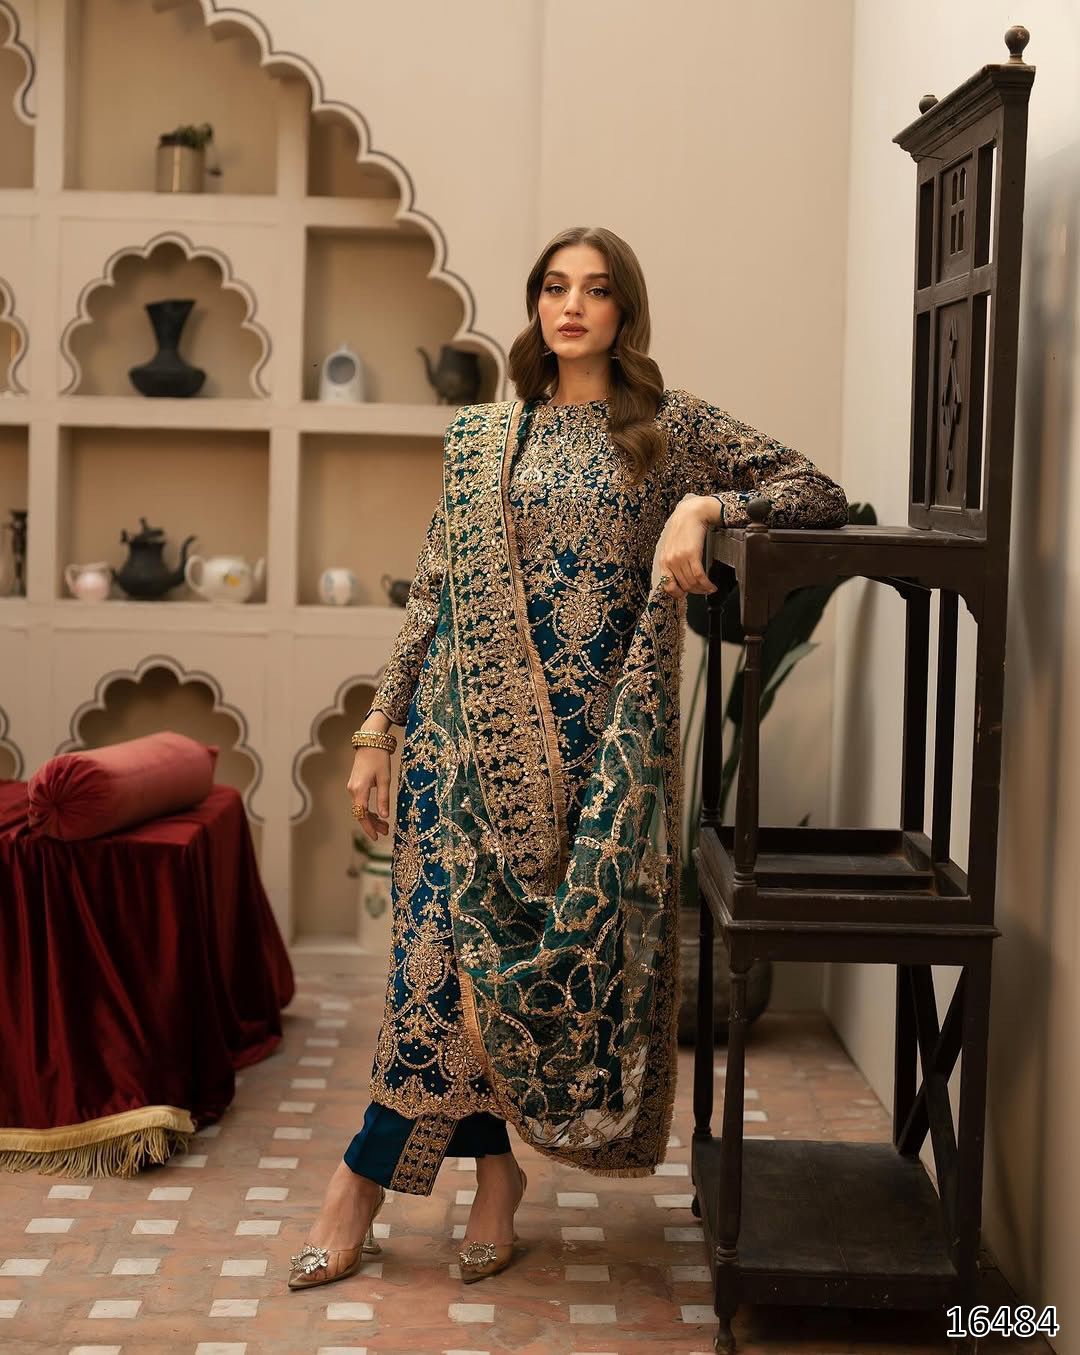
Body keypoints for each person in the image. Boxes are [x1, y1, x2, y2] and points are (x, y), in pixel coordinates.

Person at [287, 225, 849, 1291]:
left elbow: (816, 491)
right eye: (554, 287)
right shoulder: (486, 436)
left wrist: (705, 504)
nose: (572, 305)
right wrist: (377, 729)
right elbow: (435, 585)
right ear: (536, 305)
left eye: (594, 289)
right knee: (434, 969)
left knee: (507, 977)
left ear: (624, 310)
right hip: (459, 744)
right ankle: (357, 1185)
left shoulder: (668, 430)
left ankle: (495, 1182)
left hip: (589, 768)